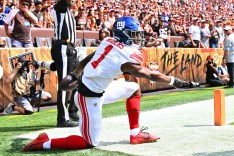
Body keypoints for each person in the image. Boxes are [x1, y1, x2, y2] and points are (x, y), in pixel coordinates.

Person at [22, 16, 199, 151]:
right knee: (89, 142)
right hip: (88, 99)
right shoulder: (126, 58)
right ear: (123, 35)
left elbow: (92, 56)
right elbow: (149, 74)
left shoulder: (109, 41)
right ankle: (44, 143)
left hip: (99, 89)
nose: (138, 38)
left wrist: (77, 72)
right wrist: (176, 81)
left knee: (133, 88)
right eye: (134, 35)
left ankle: (135, 134)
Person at [50, 0, 79, 127]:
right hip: (63, 47)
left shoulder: (68, 11)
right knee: (64, 82)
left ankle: (72, 110)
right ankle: (62, 118)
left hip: (70, 48)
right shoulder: (59, 7)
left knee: (79, 79)